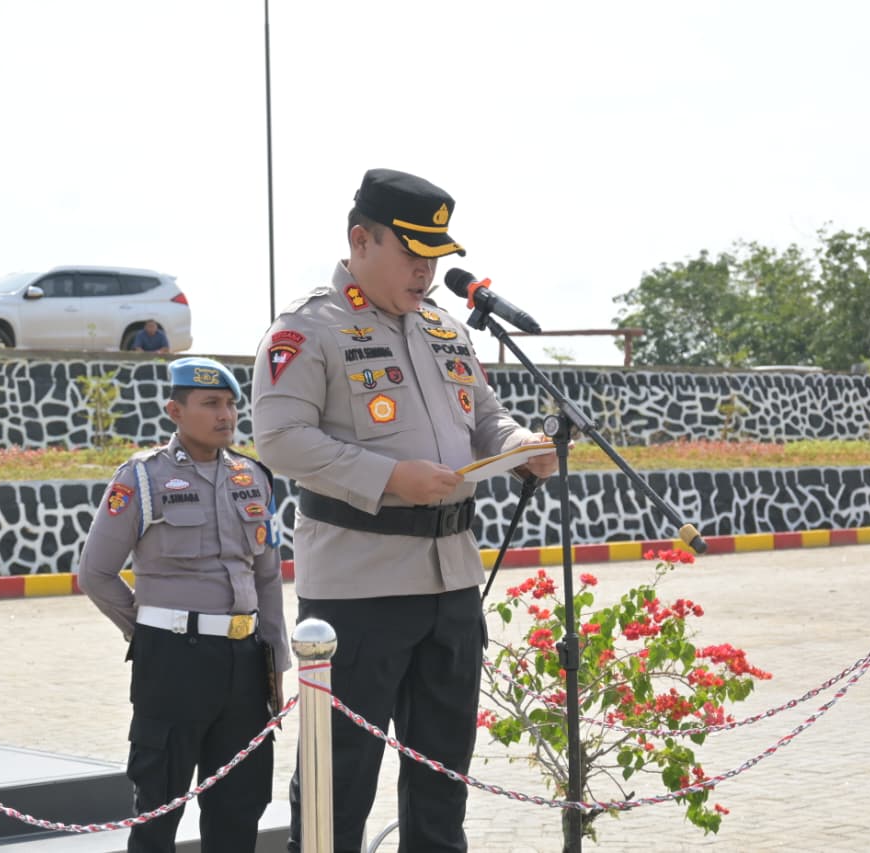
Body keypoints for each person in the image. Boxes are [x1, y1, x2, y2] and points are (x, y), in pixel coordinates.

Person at [250, 167, 559, 853]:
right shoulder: (309, 329)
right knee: (341, 783)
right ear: (360, 239)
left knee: (442, 784)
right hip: (358, 591)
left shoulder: (447, 330)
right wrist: (390, 476)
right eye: (412, 253)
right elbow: (280, 438)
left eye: (435, 258)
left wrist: (522, 446)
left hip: (450, 584)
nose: (425, 271)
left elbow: (488, 419)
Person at [77, 356, 289, 852]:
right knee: (159, 806)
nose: (226, 415)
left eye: (231, 404)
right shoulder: (141, 478)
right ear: (175, 410)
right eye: (211, 403)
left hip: (244, 665)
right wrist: (149, 628)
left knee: (239, 807)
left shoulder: (254, 478)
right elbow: (95, 574)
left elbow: (268, 578)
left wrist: (275, 660)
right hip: (173, 663)